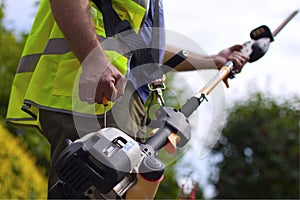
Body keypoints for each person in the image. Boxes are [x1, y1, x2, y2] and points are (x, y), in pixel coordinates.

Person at [6, 0, 249, 198]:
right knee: (88, 188)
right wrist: (94, 60)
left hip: (114, 100)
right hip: (92, 95)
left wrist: (212, 60)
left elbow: (145, 50)